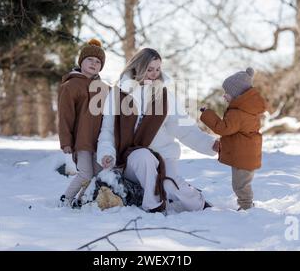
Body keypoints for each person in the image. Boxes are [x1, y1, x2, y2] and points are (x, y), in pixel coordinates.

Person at [97, 48, 219, 213]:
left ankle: (201, 205)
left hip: (164, 155)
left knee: (169, 183)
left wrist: (209, 144)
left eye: (158, 69)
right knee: (143, 156)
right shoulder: (118, 95)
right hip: (130, 159)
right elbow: (108, 131)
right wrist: (106, 153)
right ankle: (153, 206)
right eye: (149, 69)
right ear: (138, 68)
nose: (154, 73)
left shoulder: (165, 96)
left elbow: (184, 128)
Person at [200, 67, 267, 210]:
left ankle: (247, 207)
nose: (224, 96)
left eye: (227, 93)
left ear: (237, 94)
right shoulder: (249, 110)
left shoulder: (238, 113)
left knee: (240, 184)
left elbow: (222, 128)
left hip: (243, 156)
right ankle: (246, 205)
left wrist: (207, 114)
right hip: (247, 154)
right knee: (242, 183)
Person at [58, 39, 109, 208]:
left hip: (101, 140)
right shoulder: (71, 85)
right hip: (82, 140)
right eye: (90, 60)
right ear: (81, 61)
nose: (94, 64)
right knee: (86, 173)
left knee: (98, 174)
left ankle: (82, 200)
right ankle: (66, 199)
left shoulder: (104, 88)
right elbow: (65, 116)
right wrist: (66, 142)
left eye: (98, 62)